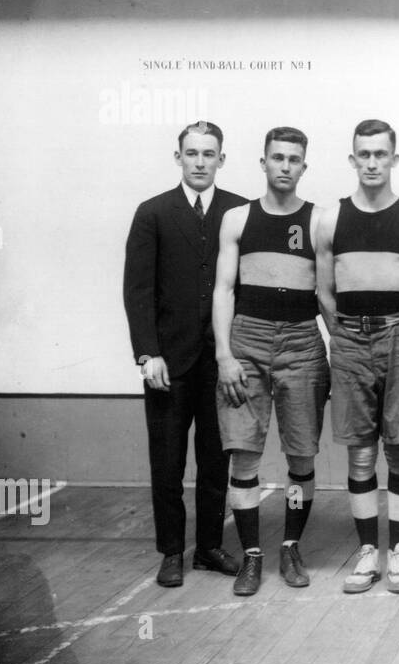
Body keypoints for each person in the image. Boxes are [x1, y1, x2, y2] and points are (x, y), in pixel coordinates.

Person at [316, 120, 399, 595]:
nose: (371, 163)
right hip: (348, 341)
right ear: (352, 159)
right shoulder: (331, 220)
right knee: (361, 452)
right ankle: (369, 551)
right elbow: (324, 293)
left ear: (394, 160)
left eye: (379, 154)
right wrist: (347, 335)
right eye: (363, 154)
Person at [123, 121, 245, 587]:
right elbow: (137, 290)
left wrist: (236, 353)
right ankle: (172, 550)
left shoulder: (238, 211)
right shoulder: (152, 213)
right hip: (167, 366)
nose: (199, 162)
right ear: (178, 157)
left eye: (208, 154)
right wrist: (147, 354)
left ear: (221, 159)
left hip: (220, 364)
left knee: (216, 460)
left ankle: (210, 547)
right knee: (168, 462)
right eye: (191, 153)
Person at [212, 127, 329, 597]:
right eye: (277, 157)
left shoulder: (320, 220)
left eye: (293, 159)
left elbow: (326, 293)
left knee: (301, 454)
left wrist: (340, 348)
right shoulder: (237, 218)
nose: (285, 166)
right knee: (244, 454)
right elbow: (223, 289)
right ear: (263, 163)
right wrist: (223, 354)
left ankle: (291, 545)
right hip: (247, 341)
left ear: (304, 166)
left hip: (302, 343)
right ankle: (252, 555)